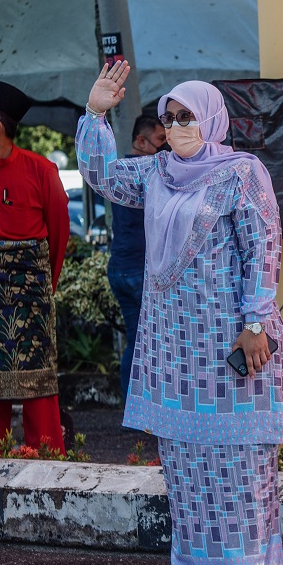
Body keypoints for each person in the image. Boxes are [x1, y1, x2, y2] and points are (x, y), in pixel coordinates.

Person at [77, 63, 283, 565]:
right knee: (186, 458)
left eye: (186, 116)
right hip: (174, 341)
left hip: (232, 334)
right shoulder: (157, 173)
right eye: (168, 118)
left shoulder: (242, 172)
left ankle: (245, 564)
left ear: (213, 119)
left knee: (237, 455)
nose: (174, 126)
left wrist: (256, 321)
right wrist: (96, 112)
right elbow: (101, 175)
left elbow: (262, 247)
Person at [0, 79, 70, 458]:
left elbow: (58, 235)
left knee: (38, 390)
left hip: (30, 297)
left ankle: (50, 468)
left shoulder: (42, 170)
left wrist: (40, 288)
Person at [108, 114, 168, 400]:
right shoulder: (146, 172)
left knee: (137, 340)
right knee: (153, 342)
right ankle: (146, 403)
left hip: (120, 266)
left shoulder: (120, 169)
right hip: (138, 268)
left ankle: (132, 404)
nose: (166, 148)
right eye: (160, 141)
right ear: (141, 141)